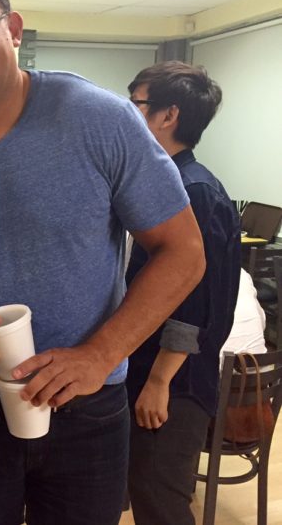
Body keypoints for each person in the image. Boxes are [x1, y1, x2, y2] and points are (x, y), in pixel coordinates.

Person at [0, 0, 206, 525]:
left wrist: (100, 355)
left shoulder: (99, 119)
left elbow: (184, 252)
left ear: (12, 27)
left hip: (88, 407)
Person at [125, 61, 241, 525]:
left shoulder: (193, 191)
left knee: (162, 500)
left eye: (134, 103)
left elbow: (195, 300)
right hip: (150, 367)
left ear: (167, 116)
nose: (125, 114)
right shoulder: (165, 181)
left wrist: (159, 381)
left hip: (176, 381)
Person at [220, 267, 267, 367]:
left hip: (220, 374)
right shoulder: (242, 273)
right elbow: (262, 321)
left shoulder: (200, 277)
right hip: (260, 369)